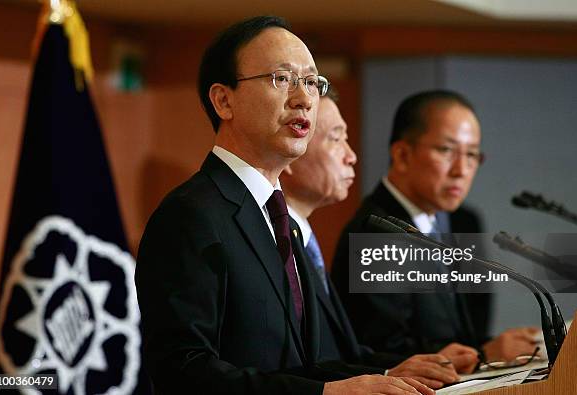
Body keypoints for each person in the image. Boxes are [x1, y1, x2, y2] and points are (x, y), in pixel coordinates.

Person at [135, 16, 433, 395]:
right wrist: (326, 393)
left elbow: (303, 364)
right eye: (282, 78)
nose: (304, 98)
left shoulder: (283, 222)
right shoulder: (191, 215)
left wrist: (388, 376)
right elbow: (183, 370)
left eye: (311, 82)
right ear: (224, 100)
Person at [331, 90, 539, 373]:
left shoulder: (462, 221)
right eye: (446, 150)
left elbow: (464, 333)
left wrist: (498, 348)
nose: (461, 169)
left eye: (472, 155)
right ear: (402, 154)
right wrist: (483, 354)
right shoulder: (375, 234)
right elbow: (383, 354)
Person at [281, 90, 463, 389]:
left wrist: (391, 371)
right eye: (335, 138)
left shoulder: (300, 237)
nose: (351, 156)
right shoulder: (375, 232)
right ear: (289, 153)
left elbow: (339, 354)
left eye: (472, 154)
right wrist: (389, 372)